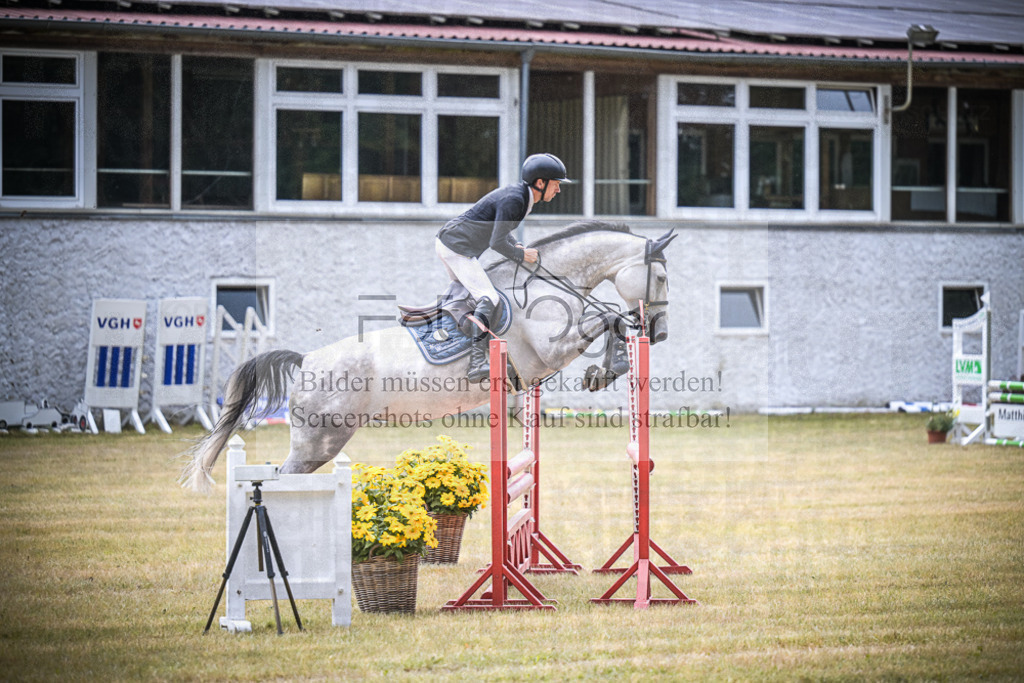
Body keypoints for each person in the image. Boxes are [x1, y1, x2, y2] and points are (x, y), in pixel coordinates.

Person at [436, 153, 571, 382]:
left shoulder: (521, 197)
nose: (558, 190)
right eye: (556, 184)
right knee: (489, 297)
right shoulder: (516, 200)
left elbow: (501, 231)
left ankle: (463, 348)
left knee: (469, 297)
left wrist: (516, 246)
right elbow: (496, 242)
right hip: (456, 247)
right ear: (540, 183)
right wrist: (521, 254)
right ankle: (476, 364)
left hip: (452, 243)